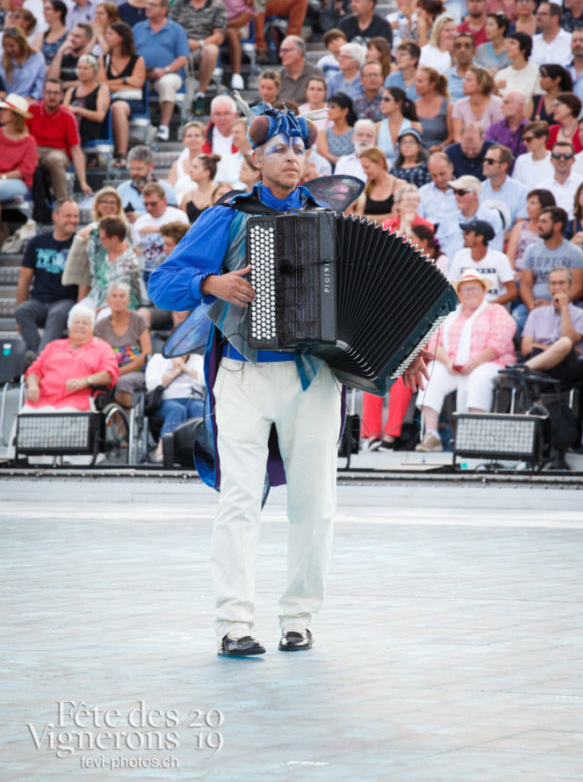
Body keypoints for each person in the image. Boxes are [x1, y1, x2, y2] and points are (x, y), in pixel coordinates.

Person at [148, 102, 428, 656]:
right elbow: (162, 284)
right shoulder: (227, 215)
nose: (293, 157)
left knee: (316, 502)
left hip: (314, 379)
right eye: (279, 148)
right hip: (242, 374)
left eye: (300, 148)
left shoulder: (333, 225)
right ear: (254, 157)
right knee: (238, 499)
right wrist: (212, 284)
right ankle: (234, 623)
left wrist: (405, 350)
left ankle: (299, 617)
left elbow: (370, 303)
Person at [415, 269, 516, 452]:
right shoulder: (449, 313)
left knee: (479, 378)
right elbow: (433, 342)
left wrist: (473, 362)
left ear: (483, 291)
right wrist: (447, 362)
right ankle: (432, 435)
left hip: (488, 362)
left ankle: (475, 436)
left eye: (474, 288)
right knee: (432, 373)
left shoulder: (495, 311)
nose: (470, 293)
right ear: (459, 294)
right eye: (466, 289)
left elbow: (500, 341)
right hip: (452, 364)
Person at [23, 304, 119, 412]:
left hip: (76, 403)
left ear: (92, 328)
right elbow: (34, 371)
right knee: (24, 416)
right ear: (69, 326)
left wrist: (84, 381)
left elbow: (109, 375)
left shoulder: (102, 348)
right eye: (76, 322)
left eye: (85, 323)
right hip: (41, 400)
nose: (80, 326)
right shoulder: (53, 346)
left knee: (64, 414)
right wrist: (32, 385)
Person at [16, 198, 80, 360]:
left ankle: (39, 359)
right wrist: (20, 309)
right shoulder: (37, 242)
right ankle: (41, 356)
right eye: (68, 216)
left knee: (56, 314)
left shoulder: (80, 243)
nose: (73, 221)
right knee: (22, 311)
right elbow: (24, 280)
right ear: (55, 216)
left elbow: (84, 282)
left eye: (76, 216)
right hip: (39, 300)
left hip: (65, 300)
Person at [520, 265, 583, 385]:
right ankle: (524, 371)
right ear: (548, 286)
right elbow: (526, 348)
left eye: (561, 283)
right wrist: (553, 350)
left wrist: (564, 308)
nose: (557, 287)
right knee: (534, 370)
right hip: (538, 362)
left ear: (570, 285)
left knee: (565, 343)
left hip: (566, 366)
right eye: (553, 283)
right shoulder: (536, 314)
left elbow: (568, 340)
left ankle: (520, 370)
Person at [133, 0, 189, 142]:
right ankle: (135, 128)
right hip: (141, 74)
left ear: (164, 9)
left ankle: (164, 127)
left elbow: (183, 58)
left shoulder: (177, 30)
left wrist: (165, 70)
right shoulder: (137, 28)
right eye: (147, 4)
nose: (148, 7)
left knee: (166, 83)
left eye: (152, 5)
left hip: (169, 73)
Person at [170, 0, 226, 109]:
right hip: (179, 48)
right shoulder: (178, 4)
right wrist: (183, 43)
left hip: (201, 49)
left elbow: (219, 36)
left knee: (212, 50)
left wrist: (199, 44)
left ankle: (200, 94)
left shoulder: (217, 6)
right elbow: (170, 29)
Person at [520, 206, 583, 322]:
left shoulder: (575, 253)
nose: (538, 225)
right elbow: (525, 284)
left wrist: (553, 305)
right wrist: (531, 306)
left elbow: (577, 288)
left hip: (564, 305)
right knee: (517, 320)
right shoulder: (531, 250)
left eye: (544, 222)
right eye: (539, 221)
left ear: (557, 226)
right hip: (534, 305)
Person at [27, 77, 91, 197]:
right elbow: (22, 137)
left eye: (56, 93)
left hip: (58, 152)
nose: (52, 96)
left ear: (62, 96)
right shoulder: (31, 109)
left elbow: (76, 151)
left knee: (54, 159)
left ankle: (62, 201)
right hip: (33, 149)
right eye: (49, 92)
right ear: (43, 94)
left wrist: (83, 183)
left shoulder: (68, 116)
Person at [94, 281, 152, 407]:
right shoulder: (101, 325)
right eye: (114, 296)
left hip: (136, 370)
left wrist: (121, 371)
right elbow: (100, 353)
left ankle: (125, 422)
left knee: (123, 382)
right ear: (107, 300)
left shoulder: (138, 321)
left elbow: (147, 352)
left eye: (122, 296)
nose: (118, 300)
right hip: (110, 370)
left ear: (128, 300)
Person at [97, 21, 146, 168]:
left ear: (121, 38)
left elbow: (138, 83)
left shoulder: (137, 59)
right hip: (109, 99)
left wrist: (113, 84)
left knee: (117, 108)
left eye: (110, 34)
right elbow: (102, 84)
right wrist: (126, 80)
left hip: (132, 101)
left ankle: (122, 154)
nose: (106, 36)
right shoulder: (103, 60)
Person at [145, 349, 205, 463]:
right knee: (178, 410)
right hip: (166, 401)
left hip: (193, 399)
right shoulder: (158, 358)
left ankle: (202, 451)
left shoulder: (197, 359)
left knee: (200, 409)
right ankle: (163, 449)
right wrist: (175, 371)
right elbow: (151, 384)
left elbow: (205, 381)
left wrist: (186, 368)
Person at [449, 219, 517, 304]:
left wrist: (488, 307)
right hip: (466, 308)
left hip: (492, 309)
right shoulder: (459, 256)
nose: (463, 235)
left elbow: (512, 292)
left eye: (467, 233)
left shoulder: (500, 258)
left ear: (479, 238)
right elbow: (452, 288)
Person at [437, 175, 503, 260]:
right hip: (450, 271)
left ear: (475, 194)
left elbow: (495, 250)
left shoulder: (492, 218)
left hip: (483, 269)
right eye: (454, 192)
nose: (456, 197)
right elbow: (440, 251)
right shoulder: (446, 219)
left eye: (461, 193)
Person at [132, 182, 187, 281]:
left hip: (173, 270)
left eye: (153, 204)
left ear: (164, 201)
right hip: (147, 271)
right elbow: (137, 248)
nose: (149, 208)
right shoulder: (140, 222)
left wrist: (158, 230)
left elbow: (185, 243)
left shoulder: (179, 216)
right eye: (146, 204)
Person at [0, 93, 38, 220]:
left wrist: (3, 177)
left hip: (18, 182)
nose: (1, 112)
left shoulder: (29, 141)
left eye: (5, 110)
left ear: (15, 115)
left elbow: (25, 170)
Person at [506, 188, 556, 281]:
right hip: (517, 275)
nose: (528, 206)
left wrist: (527, 276)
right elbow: (511, 256)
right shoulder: (520, 226)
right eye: (528, 202)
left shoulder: (551, 229)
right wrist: (512, 274)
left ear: (544, 207)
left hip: (541, 275)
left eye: (533, 203)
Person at [117, 146, 177, 221]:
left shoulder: (166, 189)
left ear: (151, 167)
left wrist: (141, 219)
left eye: (139, 169)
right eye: (132, 169)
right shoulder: (122, 189)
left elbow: (173, 218)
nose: (135, 173)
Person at [62, 53, 109, 147]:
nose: (81, 71)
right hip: (71, 130)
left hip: (88, 132)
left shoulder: (102, 89)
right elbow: (63, 112)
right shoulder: (71, 91)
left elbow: (100, 116)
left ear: (94, 71)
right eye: (79, 68)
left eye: (86, 68)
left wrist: (78, 110)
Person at [480, 143, 528, 228]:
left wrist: (500, 239)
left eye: (490, 161)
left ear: (503, 166)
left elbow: (520, 226)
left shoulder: (522, 192)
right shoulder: (477, 189)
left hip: (510, 240)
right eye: (484, 160)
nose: (485, 164)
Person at [355, 146, 403, 223]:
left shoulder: (399, 185)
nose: (364, 171)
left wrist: (368, 218)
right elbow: (359, 215)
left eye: (367, 167)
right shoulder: (366, 188)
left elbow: (398, 215)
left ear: (380, 163)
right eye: (363, 168)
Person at [452, 67, 502, 140]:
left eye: (468, 80)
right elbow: (458, 137)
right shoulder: (459, 104)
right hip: (465, 147)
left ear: (481, 84)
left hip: (490, 147)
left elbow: (497, 135)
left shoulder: (497, 103)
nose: (464, 83)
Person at [538, 143, 583, 217]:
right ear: (551, 160)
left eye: (567, 156)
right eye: (557, 156)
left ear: (573, 160)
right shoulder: (542, 187)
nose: (562, 159)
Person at [413, 66, 453, 153]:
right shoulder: (413, 106)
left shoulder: (447, 106)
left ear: (432, 85)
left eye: (420, 81)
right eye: (415, 81)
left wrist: (441, 147)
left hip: (439, 152)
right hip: (417, 152)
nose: (415, 84)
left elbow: (452, 136)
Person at [0, 26, 45, 100]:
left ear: (21, 43)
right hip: (7, 101)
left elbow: (39, 86)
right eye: (6, 46)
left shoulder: (37, 58)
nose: (9, 50)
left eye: (12, 46)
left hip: (29, 101)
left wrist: (32, 97)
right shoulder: (2, 59)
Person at [166, 120, 206, 203]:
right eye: (189, 136)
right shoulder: (177, 165)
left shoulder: (210, 163)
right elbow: (168, 191)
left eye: (197, 135)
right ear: (184, 141)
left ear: (204, 140)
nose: (193, 139)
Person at [277, 35, 324, 104]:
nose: (280, 55)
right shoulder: (279, 75)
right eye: (280, 51)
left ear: (299, 52)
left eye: (285, 50)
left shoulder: (315, 73)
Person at [494, 32, 541, 101]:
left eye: (512, 43)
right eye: (507, 43)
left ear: (524, 49)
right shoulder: (501, 74)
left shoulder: (537, 72)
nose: (507, 46)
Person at [486, 89, 529, 159]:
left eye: (506, 102)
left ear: (519, 106)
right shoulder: (493, 128)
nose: (501, 106)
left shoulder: (531, 129)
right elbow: (488, 153)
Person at [316, 92, 355, 167]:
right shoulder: (323, 133)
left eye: (333, 107)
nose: (329, 110)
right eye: (328, 106)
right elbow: (325, 154)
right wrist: (343, 163)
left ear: (345, 111)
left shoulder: (356, 132)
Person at [180, 154, 220, 223]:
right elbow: (182, 223)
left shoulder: (219, 194)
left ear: (207, 172)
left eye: (195, 167)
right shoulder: (187, 196)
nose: (190, 170)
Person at [531, 3, 573, 67]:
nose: (538, 17)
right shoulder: (532, 41)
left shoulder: (571, 40)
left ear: (555, 18)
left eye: (543, 14)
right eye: (537, 14)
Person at [512, 121, 552, 185]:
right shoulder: (521, 160)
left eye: (529, 139)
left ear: (542, 139)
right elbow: (516, 186)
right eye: (524, 139)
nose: (525, 143)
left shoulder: (555, 159)